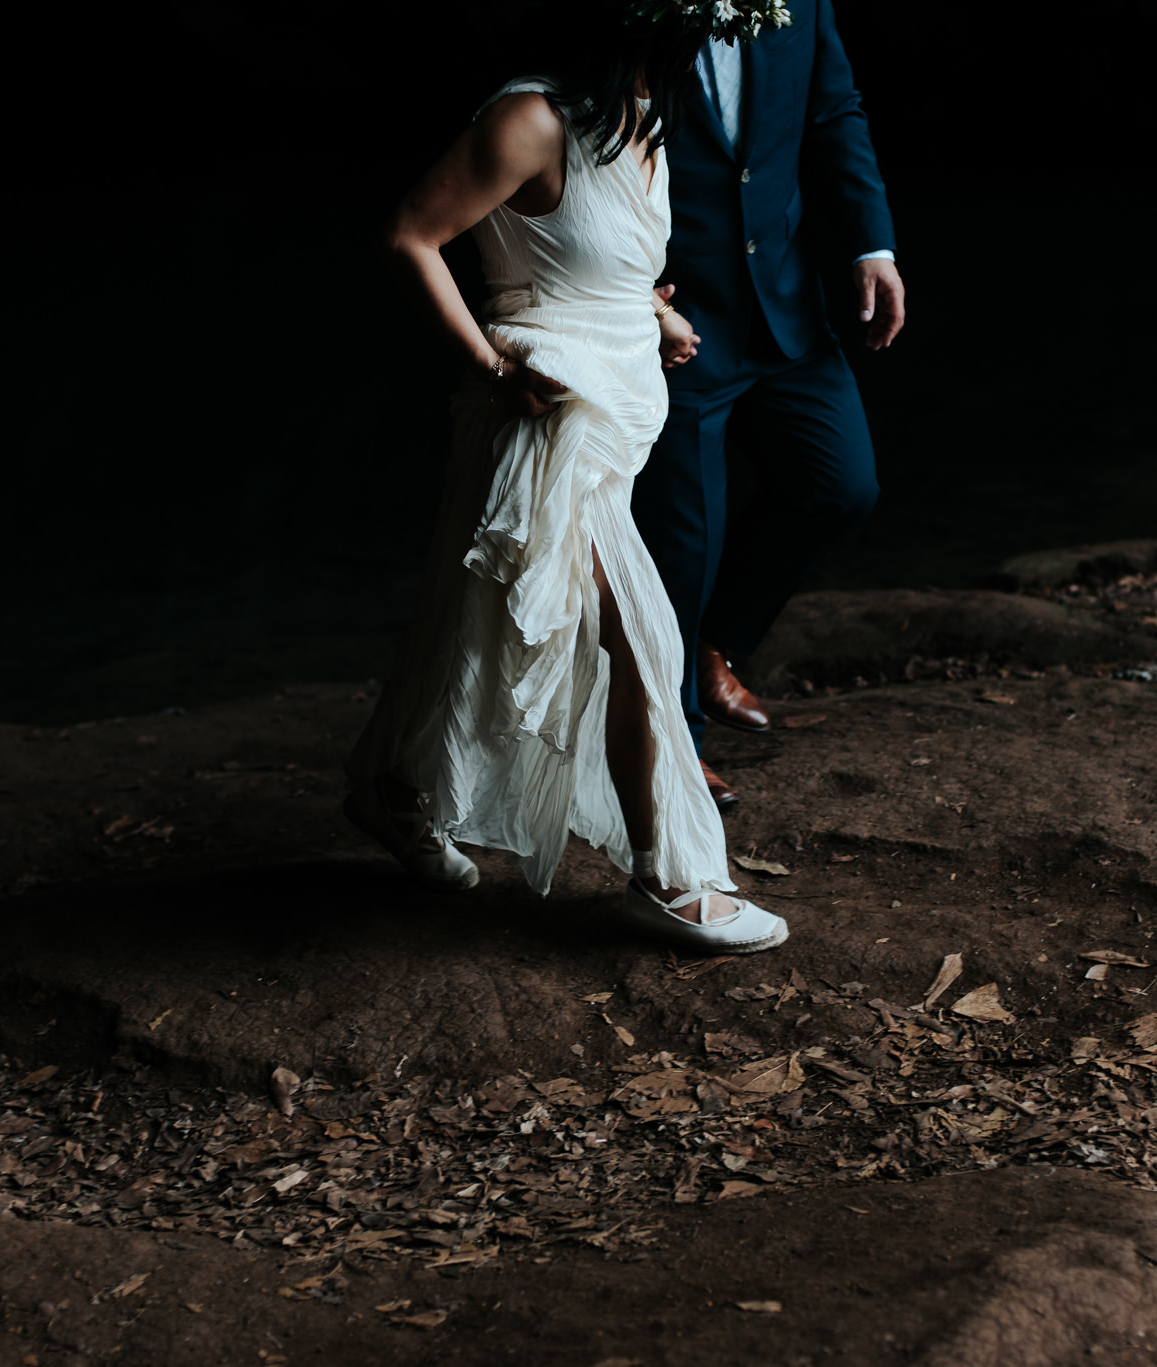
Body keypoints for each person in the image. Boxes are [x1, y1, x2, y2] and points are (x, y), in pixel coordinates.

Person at [343, 2, 796, 953]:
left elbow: (601, 261)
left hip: (611, 418)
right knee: (640, 634)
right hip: (544, 424)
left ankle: (395, 791)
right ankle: (670, 877)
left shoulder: (642, 114)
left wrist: (655, 317)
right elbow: (412, 237)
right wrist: (493, 368)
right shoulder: (533, 119)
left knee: (474, 621)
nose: (727, 38)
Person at [631, 0, 905, 809]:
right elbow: (582, 144)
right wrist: (631, 296)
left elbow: (834, 112)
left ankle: (717, 643)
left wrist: (870, 243)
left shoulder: (806, 3)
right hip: (671, 313)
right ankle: (676, 746)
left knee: (839, 483)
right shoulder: (636, 16)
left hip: (784, 299)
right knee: (684, 542)